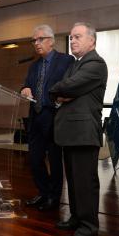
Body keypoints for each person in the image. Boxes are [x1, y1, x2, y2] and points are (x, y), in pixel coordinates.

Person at [49, 22, 108, 236]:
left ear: (91, 40)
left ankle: (89, 229)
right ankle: (76, 218)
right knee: (73, 181)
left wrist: (61, 92)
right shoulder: (76, 64)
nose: (72, 40)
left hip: (83, 133)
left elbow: (65, 87)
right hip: (71, 133)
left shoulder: (95, 63)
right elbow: (61, 88)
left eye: (77, 37)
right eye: (71, 37)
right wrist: (61, 92)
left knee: (85, 183)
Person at [20, 24, 74, 211]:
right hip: (35, 118)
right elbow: (26, 86)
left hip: (54, 117)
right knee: (35, 160)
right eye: (33, 40)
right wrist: (25, 89)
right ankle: (43, 192)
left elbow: (71, 87)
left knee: (55, 161)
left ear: (51, 40)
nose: (36, 43)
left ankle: (54, 197)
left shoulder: (66, 61)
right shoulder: (34, 66)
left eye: (40, 39)